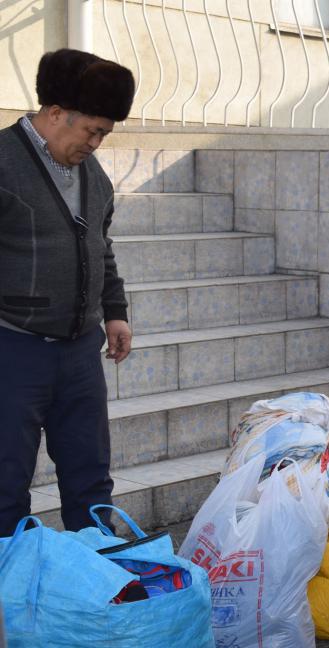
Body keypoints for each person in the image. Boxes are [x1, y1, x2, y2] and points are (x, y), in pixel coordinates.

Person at [0, 49, 135, 536]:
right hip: (13, 349)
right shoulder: (2, 161)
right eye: (92, 130)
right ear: (55, 114)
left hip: (79, 352)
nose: (96, 143)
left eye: (104, 134)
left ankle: (98, 590)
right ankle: (10, 598)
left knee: (90, 480)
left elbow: (101, 247)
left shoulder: (93, 176)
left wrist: (115, 312)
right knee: (5, 485)